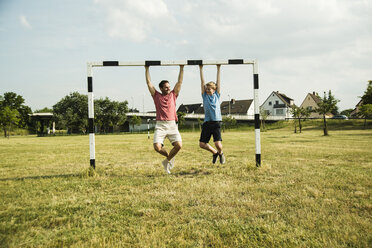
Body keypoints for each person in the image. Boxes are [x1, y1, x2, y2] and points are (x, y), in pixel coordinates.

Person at [145, 65, 184, 174]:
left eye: (169, 86)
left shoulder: (173, 95)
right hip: (161, 125)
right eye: (166, 87)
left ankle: (166, 162)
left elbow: (179, 82)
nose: (168, 88)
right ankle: (168, 158)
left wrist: (181, 68)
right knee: (157, 147)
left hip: (172, 124)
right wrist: (146, 69)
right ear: (161, 88)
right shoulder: (156, 96)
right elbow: (149, 83)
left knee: (179, 145)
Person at [199, 64, 225, 164]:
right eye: (206, 88)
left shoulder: (217, 96)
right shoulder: (204, 96)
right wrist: (201, 69)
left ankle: (221, 153)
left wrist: (218, 68)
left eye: (209, 89)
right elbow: (202, 82)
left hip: (216, 122)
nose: (207, 90)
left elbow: (218, 82)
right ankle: (214, 153)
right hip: (207, 123)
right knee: (202, 144)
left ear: (214, 90)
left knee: (218, 144)